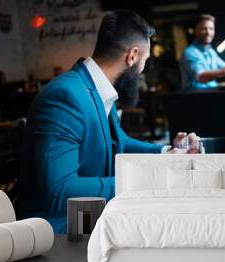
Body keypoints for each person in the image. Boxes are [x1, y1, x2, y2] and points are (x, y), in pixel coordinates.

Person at [15, 10, 201, 233]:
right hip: (55, 235)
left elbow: (119, 142)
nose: (143, 70)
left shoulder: (97, 88)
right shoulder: (64, 97)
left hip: (87, 221)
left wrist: (167, 154)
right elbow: (59, 192)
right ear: (132, 56)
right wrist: (144, 180)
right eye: (145, 61)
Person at [180, 14, 225, 90]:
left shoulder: (211, 51)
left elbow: (224, 67)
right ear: (195, 30)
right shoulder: (189, 52)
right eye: (204, 29)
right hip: (196, 97)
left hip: (212, 92)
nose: (208, 32)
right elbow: (201, 77)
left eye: (211, 29)